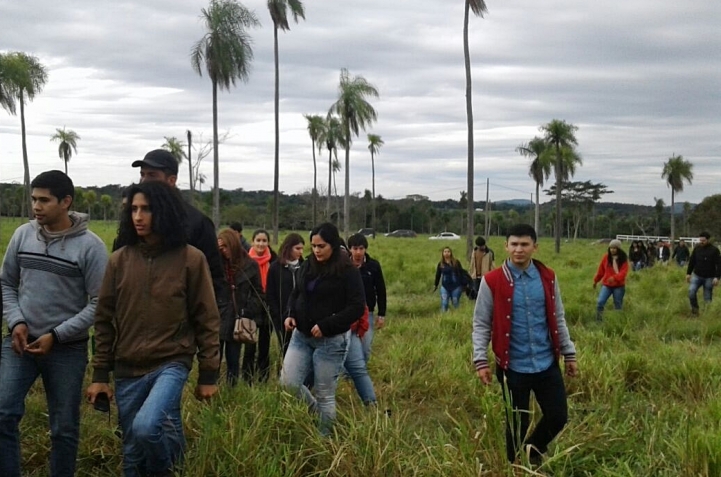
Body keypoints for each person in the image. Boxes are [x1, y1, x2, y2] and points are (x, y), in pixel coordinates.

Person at [87, 181, 220, 477]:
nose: (138, 216)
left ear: (165, 211)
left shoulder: (191, 259)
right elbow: (104, 319)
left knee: (146, 428)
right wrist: (100, 375)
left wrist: (209, 374)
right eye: (133, 209)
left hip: (171, 362)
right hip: (127, 367)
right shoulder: (119, 260)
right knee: (132, 454)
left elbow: (207, 318)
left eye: (146, 209)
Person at [0, 170, 108, 477]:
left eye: (44, 200)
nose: (36, 206)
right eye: (34, 199)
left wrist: (57, 335)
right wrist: (17, 320)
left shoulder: (90, 247)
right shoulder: (22, 235)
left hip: (66, 350)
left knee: (64, 427)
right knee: (3, 413)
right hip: (19, 342)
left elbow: (100, 303)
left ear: (66, 202)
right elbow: (6, 282)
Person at [472, 223, 578, 465]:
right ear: (506, 247)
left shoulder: (548, 278)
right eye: (514, 244)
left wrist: (568, 353)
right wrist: (480, 360)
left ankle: (532, 452)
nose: (519, 249)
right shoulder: (492, 281)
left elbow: (558, 317)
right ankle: (514, 466)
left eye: (524, 244)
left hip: (546, 363)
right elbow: (481, 323)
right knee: (516, 425)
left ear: (535, 247)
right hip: (513, 368)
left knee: (558, 416)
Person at [280, 223, 365, 435]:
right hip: (301, 336)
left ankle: (324, 440)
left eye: (321, 246)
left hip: (332, 341)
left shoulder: (347, 271)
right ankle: (316, 412)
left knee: (324, 393)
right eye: (314, 246)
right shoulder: (308, 265)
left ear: (333, 245)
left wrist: (327, 325)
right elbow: (296, 293)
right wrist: (290, 314)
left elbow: (356, 307)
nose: (316, 250)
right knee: (288, 383)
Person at [132, 149, 226, 303]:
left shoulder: (197, 223)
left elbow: (215, 282)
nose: (144, 181)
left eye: (152, 175)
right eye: (142, 175)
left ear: (171, 180)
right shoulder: (134, 219)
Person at [217, 229, 264, 385]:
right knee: (212, 360)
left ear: (233, 245)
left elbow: (258, 293)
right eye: (220, 247)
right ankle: (210, 394)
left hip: (237, 319)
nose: (223, 251)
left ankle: (231, 393)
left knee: (233, 361)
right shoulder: (216, 265)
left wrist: (247, 311)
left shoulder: (250, 265)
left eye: (225, 246)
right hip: (217, 317)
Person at [347, 233, 387, 363]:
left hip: (367, 312)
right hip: (346, 312)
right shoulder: (343, 266)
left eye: (361, 248)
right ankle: (346, 376)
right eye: (355, 248)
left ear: (365, 249)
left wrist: (381, 314)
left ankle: (361, 373)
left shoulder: (373, 266)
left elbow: (381, 290)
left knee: (365, 346)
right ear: (350, 249)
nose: (358, 252)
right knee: (346, 345)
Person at [266, 233, 305, 358]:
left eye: (302, 248)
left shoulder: (305, 267)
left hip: (302, 317)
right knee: (286, 349)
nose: (301, 251)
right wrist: (278, 315)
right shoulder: (275, 268)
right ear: (289, 248)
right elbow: (270, 294)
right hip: (282, 317)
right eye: (297, 248)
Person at [246, 229, 276, 382]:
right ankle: (247, 377)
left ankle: (263, 377)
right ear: (252, 242)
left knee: (265, 344)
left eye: (264, 241)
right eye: (258, 240)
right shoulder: (245, 261)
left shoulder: (274, 260)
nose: (261, 244)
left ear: (268, 243)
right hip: (251, 306)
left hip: (268, 306)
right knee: (250, 343)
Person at [686, 232, 721, 316]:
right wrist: (688, 273)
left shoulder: (714, 250)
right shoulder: (697, 248)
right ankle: (695, 311)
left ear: (708, 240)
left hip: (709, 277)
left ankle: (707, 315)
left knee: (707, 298)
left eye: (703, 240)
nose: (701, 242)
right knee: (691, 292)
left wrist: (717, 277)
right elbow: (692, 261)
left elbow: (719, 264)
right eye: (700, 240)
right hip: (697, 275)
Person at [593, 239, 629, 321]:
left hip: (619, 286)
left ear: (618, 249)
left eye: (614, 248)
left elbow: (624, 272)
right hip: (607, 285)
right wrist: (596, 281)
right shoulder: (606, 258)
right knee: (600, 302)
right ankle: (599, 320)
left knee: (618, 304)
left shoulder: (623, 259)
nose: (612, 250)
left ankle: (617, 321)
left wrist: (614, 278)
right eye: (611, 248)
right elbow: (600, 271)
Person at [434, 247, 467, 312]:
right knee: (444, 303)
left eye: (448, 251)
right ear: (442, 253)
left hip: (456, 286)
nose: (446, 253)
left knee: (455, 303)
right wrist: (436, 284)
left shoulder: (456, 262)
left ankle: (457, 317)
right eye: (445, 252)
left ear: (451, 253)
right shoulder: (441, 264)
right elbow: (438, 275)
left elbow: (461, 273)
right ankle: (443, 318)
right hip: (445, 286)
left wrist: (464, 285)